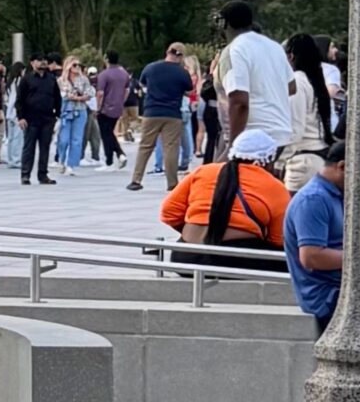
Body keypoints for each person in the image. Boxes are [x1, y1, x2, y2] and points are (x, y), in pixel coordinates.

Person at [160, 130, 291, 253]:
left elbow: (169, 212)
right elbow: (279, 239)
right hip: (239, 260)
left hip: (186, 257)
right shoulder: (274, 186)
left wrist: (196, 228)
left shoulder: (203, 171)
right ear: (268, 161)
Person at [283, 140, 348, 337]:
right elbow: (311, 257)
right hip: (326, 298)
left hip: (340, 291)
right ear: (343, 166)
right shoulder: (314, 199)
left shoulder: (336, 195)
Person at [218, 1, 295, 158]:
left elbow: (239, 102)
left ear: (225, 23)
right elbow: (291, 86)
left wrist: (233, 146)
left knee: (225, 180)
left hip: (251, 134)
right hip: (280, 131)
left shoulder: (235, 50)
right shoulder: (274, 46)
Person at [130, 43, 196, 191]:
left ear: (167, 52)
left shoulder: (151, 68)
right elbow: (189, 91)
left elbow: (143, 83)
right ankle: (172, 183)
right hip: (172, 114)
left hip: (152, 112)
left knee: (145, 146)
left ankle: (136, 180)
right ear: (181, 56)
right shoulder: (182, 73)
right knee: (171, 148)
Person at [283, 32, 338, 191]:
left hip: (302, 163)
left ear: (291, 56)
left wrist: (278, 162)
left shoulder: (298, 83)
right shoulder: (315, 79)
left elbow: (295, 129)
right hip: (318, 157)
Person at [14, 56, 62, 187]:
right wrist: (21, 117)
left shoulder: (51, 79)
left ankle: (43, 174)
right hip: (30, 118)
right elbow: (19, 100)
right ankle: (25, 174)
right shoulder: (26, 79)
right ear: (32, 63)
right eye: (39, 60)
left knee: (45, 147)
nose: (43, 62)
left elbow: (57, 98)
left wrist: (57, 114)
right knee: (29, 147)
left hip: (47, 118)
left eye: (44, 60)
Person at [57, 56, 96, 175]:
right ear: (68, 66)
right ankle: (61, 160)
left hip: (80, 110)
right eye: (74, 65)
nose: (77, 67)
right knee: (63, 139)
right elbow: (62, 95)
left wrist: (77, 97)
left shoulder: (84, 79)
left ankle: (71, 164)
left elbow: (89, 93)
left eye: (79, 65)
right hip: (66, 111)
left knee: (77, 139)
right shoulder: (61, 80)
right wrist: (74, 97)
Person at [93, 53, 131, 167]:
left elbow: (100, 93)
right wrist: (121, 101)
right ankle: (119, 155)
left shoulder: (104, 75)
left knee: (106, 134)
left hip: (105, 108)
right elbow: (127, 90)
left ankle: (110, 159)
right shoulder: (124, 74)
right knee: (110, 132)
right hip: (118, 107)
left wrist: (97, 108)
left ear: (107, 59)